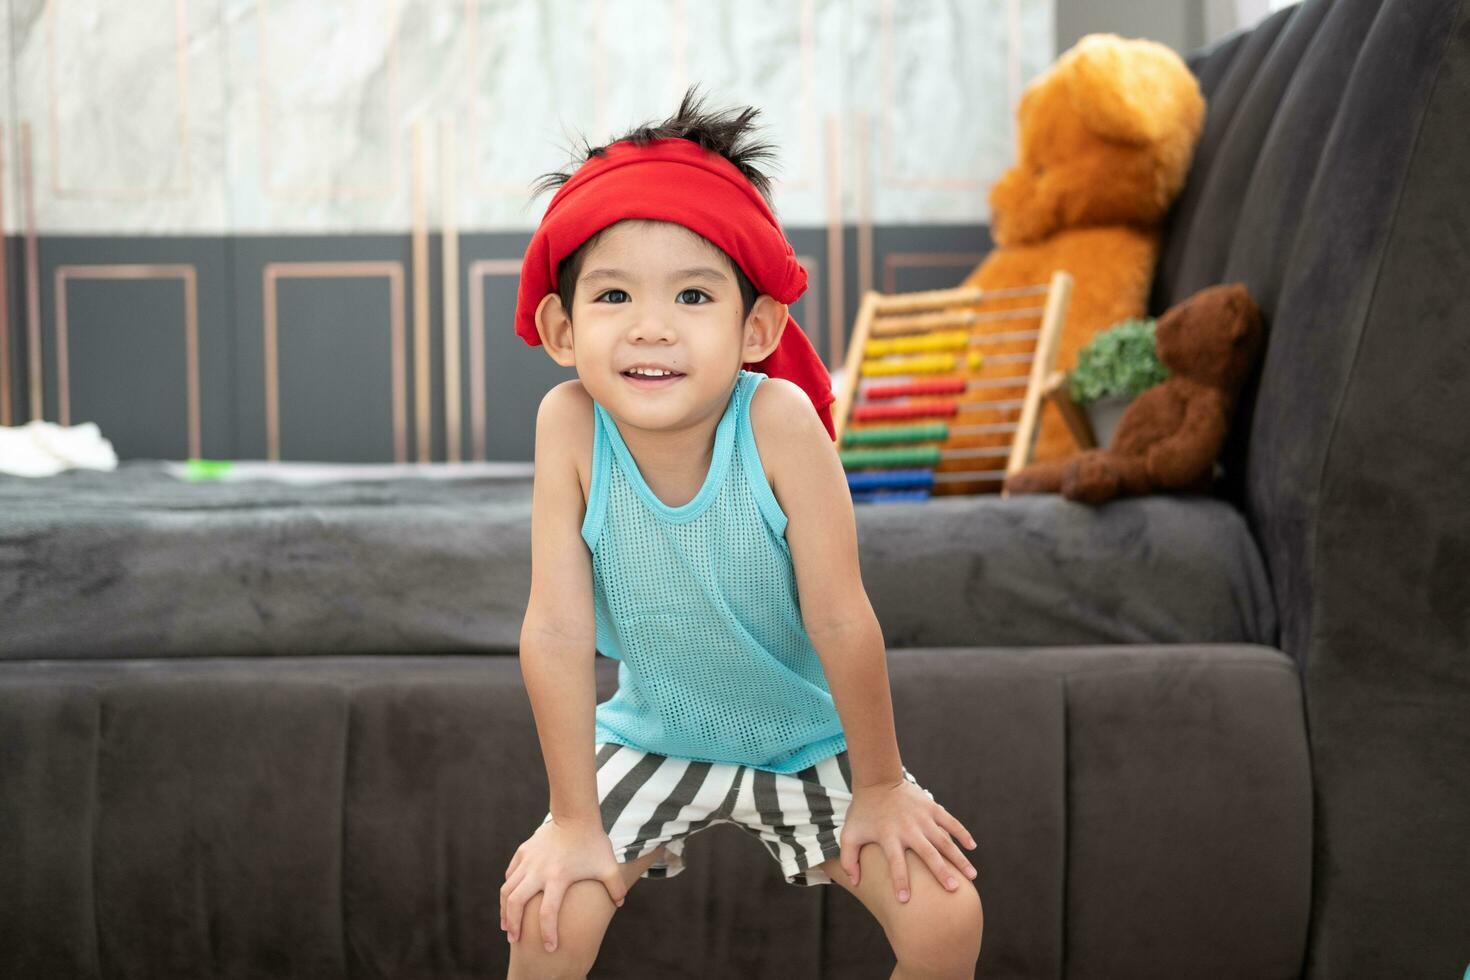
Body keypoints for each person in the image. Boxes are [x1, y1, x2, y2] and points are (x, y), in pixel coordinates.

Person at [501, 84, 984, 978]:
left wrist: (880, 787)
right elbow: (558, 629)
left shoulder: (780, 424)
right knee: (548, 920)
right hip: (654, 734)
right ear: (562, 329)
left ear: (755, 326)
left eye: (692, 294)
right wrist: (573, 821)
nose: (651, 327)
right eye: (613, 296)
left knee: (947, 920)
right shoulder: (567, 425)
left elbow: (842, 617)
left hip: (804, 741)